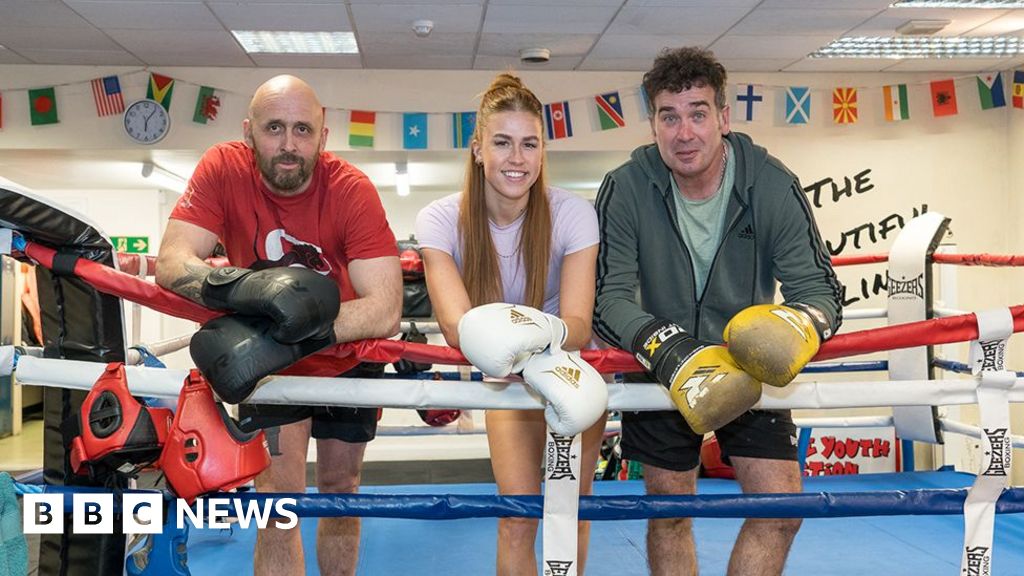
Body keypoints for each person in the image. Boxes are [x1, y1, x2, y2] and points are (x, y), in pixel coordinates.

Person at [593, 47, 842, 576]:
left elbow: (819, 289)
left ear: (723, 118)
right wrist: (670, 349)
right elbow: (607, 298)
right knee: (669, 515)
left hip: (748, 364)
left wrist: (791, 326)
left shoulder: (769, 183)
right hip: (661, 367)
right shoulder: (627, 186)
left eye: (698, 114)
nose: (684, 133)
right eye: (669, 116)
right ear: (653, 124)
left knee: (780, 510)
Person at [156, 74, 402, 576]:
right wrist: (244, 290)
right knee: (276, 499)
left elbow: (385, 307)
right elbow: (172, 262)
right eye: (274, 128)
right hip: (268, 358)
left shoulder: (350, 189)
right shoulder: (223, 168)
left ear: (323, 137)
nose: (289, 144)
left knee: (340, 490)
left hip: (344, 355)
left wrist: (296, 332)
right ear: (248, 132)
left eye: (302, 130)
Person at [415, 73, 606, 576]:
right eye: (502, 142)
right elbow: (456, 327)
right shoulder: (441, 219)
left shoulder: (573, 214)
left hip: (571, 370)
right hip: (507, 375)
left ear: (543, 152)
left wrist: (531, 335)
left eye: (529, 144)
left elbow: (578, 322)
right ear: (478, 148)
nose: (516, 158)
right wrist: (530, 339)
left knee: (570, 512)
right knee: (517, 516)